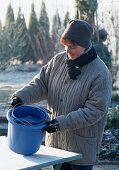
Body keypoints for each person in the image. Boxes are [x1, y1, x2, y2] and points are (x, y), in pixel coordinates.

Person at [9, 20, 112, 170]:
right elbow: (41, 84)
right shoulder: (57, 61)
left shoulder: (100, 73)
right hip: (56, 148)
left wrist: (60, 123)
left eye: (72, 47)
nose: (67, 51)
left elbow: (94, 111)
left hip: (80, 150)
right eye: (65, 46)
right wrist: (21, 97)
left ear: (85, 45)